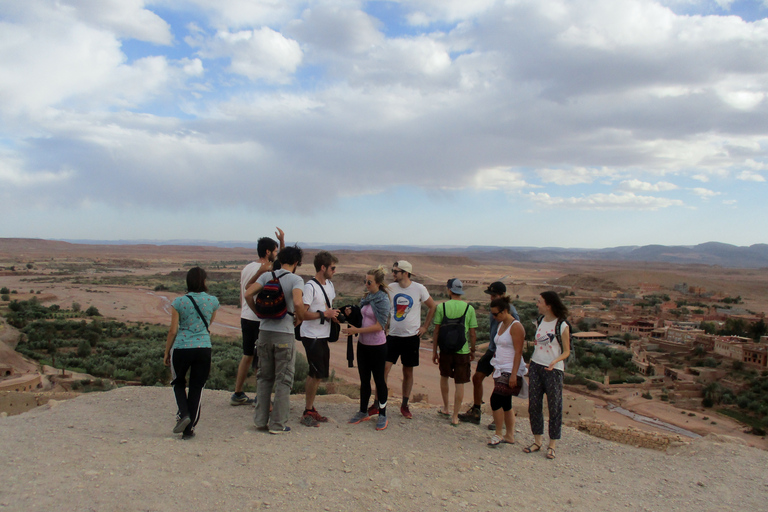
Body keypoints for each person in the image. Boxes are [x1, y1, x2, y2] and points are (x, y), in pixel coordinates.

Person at [244, 245, 305, 434]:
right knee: (283, 381)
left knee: (263, 378)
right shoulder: (296, 279)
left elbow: (247, 293)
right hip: (284, 334)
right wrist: (300, 317)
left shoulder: (266, 276)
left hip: (264, 333)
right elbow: (296, 302)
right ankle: (278, 424)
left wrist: (257, 312)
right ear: (296, 263)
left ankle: (260, 421)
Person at [373, 261, 436, 419]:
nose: (393, 274)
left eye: (396, 271)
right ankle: (378, 403)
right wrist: (384, 325)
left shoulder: (419, 289)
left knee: (408, 371)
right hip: (393, 336)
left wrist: (425, 327)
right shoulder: (391, 288)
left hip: (411, 338)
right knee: (384, 369)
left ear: (406, 273)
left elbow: (432, 306)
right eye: (393, 271)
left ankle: (405, 405)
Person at [163, 267, 219, 440]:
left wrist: (166, 352)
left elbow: (173, 331)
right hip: (203, 348)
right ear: (204, 281)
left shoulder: (178, 302)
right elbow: (208, 323)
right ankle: (189, 429)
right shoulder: (213, 301)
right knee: (197, 387)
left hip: (181, 348)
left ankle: (184, 414)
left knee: (178, 382)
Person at [231, 228, 285, 406]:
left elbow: (285, 259)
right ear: (268, 252)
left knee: (247, 355)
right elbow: (248, 288)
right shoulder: (266, 269)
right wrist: (262, 271)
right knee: (262, 360)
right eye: (275, 251)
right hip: (258, 317)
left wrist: (282, 240)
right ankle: (261, 398)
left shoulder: (246, 267)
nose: (277, 254)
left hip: (246, 316)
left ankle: (238, 393)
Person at [458, 281, 520, 427]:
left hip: (503, 354)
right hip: (492, 350)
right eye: (490, 295)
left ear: (502, 295)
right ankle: (476, 411)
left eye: (494, 295)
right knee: (477, 377)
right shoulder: (495, 308)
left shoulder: (511, 311)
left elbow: (516, 331)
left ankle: (500, 419)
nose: (491, 298)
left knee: (500, 385)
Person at [342, 267, 391, 431]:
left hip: (377, 346)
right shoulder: (367, 298)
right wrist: (351, 314)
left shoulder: (383, 300)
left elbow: (379, 326)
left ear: (378, 283)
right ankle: (363, 411)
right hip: (363, 346)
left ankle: (382, 413)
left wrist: (356, 331)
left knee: (379, 380)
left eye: (369, 282)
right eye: (365, 281)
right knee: (364, 380)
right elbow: (363, 318)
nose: (366, 284)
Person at [524, 291, 570, 459]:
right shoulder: (540, 321)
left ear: (549, 305)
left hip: (553, 370)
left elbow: (566, 351)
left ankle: (552, 444)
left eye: (540, 301)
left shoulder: (562, 326)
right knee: (534, 405)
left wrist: (555, 361)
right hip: (536, 366)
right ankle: (537, 441)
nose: (537, 304)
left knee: (554, 407)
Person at [299, 251, 340, 426]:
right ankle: (307, 411)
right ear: (323, 267)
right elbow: (302, 314)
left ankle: (311, 408)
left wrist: (334, 315)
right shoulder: (310, 287)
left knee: (319, 374)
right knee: (314, 373)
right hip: (312, 336)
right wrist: (324, 314)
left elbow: (327, 307)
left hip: (323, 335)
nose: (334, 271)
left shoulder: (329, 285)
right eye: (332, 268)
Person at [432, 279, 477, 426]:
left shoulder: (442, 307)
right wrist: (473, 350)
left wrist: (435, 351)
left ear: (450, 290)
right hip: (462, 350)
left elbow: (437, 331)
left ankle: (446, 407)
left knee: (444, 376)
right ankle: (455, 416)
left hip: (445, 349)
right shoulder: (469, 309)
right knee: (460, 382)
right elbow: (472, 333)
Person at [486, 296, 526, 447]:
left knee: (495, 400)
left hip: (510, 369)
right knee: (506, 403)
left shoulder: (516, 326)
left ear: (505, 311)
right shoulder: (501, 324)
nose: (494, 317)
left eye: (496, 314)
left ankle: (498, 433)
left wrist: (514, 374)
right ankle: (509, 435)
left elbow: (518, 351)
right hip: (500, 367)